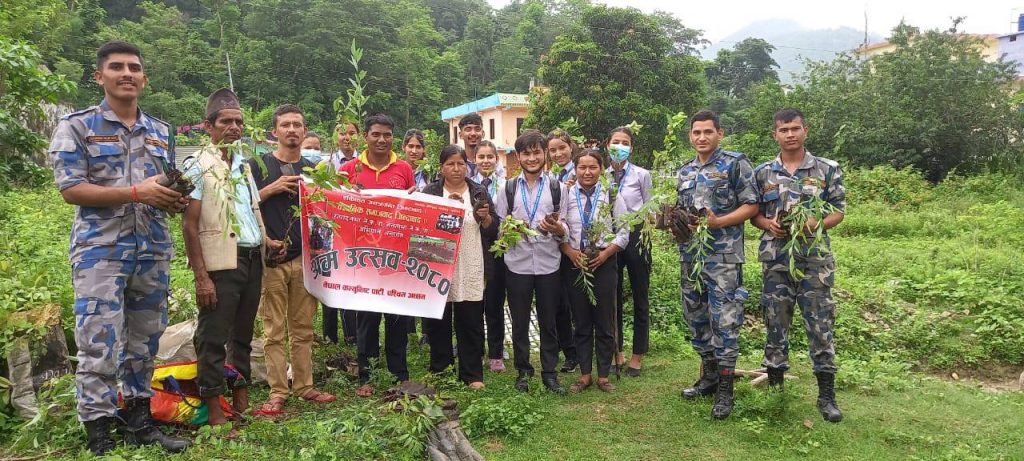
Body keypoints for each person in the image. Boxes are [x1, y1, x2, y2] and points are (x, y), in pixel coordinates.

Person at [48, 40, 191, 455]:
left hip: (152, 248)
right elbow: (71, 189)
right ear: (100, 76)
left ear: (144, 78)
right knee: (99, 341)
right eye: (117, 67)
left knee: (146, 340)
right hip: (101, 252)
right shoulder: (77, 126)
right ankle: (98, 428)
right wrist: (135, 192)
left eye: (134, 68)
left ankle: (139, 419)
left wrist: (174, 198)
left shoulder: (161, 130)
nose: (126, 73)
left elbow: (162, 185)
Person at [182, 89, 282, 431]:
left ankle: (240, 400)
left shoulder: (243, 165)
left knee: (242, 333)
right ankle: (213, 408)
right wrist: (201, 277)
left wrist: (267, 239)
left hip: (253, 258)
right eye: (226, 121)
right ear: (209, 126)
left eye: (239, 121)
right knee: (212, 335)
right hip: (222, 262)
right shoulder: (198, 165)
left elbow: (250, 212)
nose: (234, 127)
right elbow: (190, 223)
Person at [751, 108, 846, 423]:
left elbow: (838, 211)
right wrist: (769, 225)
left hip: (814, 260)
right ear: (774, 134)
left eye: (795, 128)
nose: (789, 134)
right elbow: (755, 214)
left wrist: (813, 223)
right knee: (775, 323)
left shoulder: (826, 169)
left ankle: (826, 397)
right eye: (783, 130)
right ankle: (777, 392)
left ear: (805, 130)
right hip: (776, 260)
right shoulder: (763, 172)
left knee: (820, 325)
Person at [250, 104, 336, 417]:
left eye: (297, 124)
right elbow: (241, 206)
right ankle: (277, 392)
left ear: (304, 130)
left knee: (303, 327)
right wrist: (270, 189)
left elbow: (329, 210)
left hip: (304, 259)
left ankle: (304, 385)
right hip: (271, 259)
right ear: (274, 132)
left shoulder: (314, 172)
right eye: (285, 125)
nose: (291, 130)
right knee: (273, 331)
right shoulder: (257, 166)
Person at [674, 110, 758, 419]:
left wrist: (718, 221)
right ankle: (708, 377)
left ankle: (725, 391)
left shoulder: (735, 164)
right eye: (696, 133)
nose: (701, 137)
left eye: (707, 132)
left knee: (724, 322)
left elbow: (752, 204)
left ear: (719, 134)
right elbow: (682, 213)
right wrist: (671, 222)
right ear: (690, 136)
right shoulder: (684, 171)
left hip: (723, 257)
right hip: (691, 257)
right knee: (695, 317)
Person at [338, 114, 417, 397]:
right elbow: (336, 209)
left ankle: (399, 374)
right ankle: (366, 375)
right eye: (376, 134)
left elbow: (413, 208)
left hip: (396, 257)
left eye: (387, 135)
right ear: (366, 137)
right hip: (363, 257)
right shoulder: (349, 169)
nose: (382, 140)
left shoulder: (404, 169)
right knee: (367, 319)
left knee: (397, 318)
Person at [494, 129, 569, 395]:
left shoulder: (558, 188)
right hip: (518, 264)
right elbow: (499, 224)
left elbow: (568, 227)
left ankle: (550, 373)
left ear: (544, 154)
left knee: (549, 320)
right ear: (518, 157)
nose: (532, 157)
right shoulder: (508, 188)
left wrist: (557, 228)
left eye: (537, 152)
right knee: (520, 320)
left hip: (550, 263)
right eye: (526, 153)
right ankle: (523, 371)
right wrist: (512, 228)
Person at [421, 145, 500, 388]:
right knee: (438, 321)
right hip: (438, 262)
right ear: (441, 167)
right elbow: (421, 226)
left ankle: (472, 374)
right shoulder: (431, 192)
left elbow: (493, 229)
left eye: (460, 164)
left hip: (471, 261)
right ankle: (441, 370)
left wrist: (485, 218)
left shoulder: (478, 191)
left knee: (471, 321)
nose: (456, 169)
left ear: (468, 166)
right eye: (450, 164)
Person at [559, 149, 629, 393]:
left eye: (592, 167)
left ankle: (603, 375)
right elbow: (560, 227)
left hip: (603, 261)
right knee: (581, 321)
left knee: (604, 320)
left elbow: (623, 231)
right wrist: (569, 251)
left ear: (601, 169)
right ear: (575, 169)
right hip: (576, 262)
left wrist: (606, 253)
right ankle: (585, 375)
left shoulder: (611, 195)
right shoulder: (566, 194)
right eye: (582, 168)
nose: (587, 172)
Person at [606, 126, 653, 377]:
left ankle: (637, 355)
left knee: (639, 295)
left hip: (636, 236)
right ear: (608, 145)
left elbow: (649, 207)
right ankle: (617, 350)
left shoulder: (642, 175)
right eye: (616, 142)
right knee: (612, 297)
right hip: (612, 237)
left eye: (625, 143)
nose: (620, 146)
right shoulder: (602, 176)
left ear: (631, 148)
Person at [470, 140, 508, 372]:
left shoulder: (506, 185)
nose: (485, 161)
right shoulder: (470, 186)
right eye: (481, 157)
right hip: (474, 247)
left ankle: (496, 352)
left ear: (497, 159)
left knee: (494, 303)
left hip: (498, 250)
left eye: (490, 157)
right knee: (473, 303)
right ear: (475, 160)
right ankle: (475, 349)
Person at [547, 129, 579, 373]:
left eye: (562, 148)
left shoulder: (582, 172)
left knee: (575, 302)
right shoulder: (550, 177)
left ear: (571, 147)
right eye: (553, 150)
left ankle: (581, 350)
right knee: (559, 302)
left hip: (578, 244)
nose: (558, 153)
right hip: (555, 246)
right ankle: (567, 350)